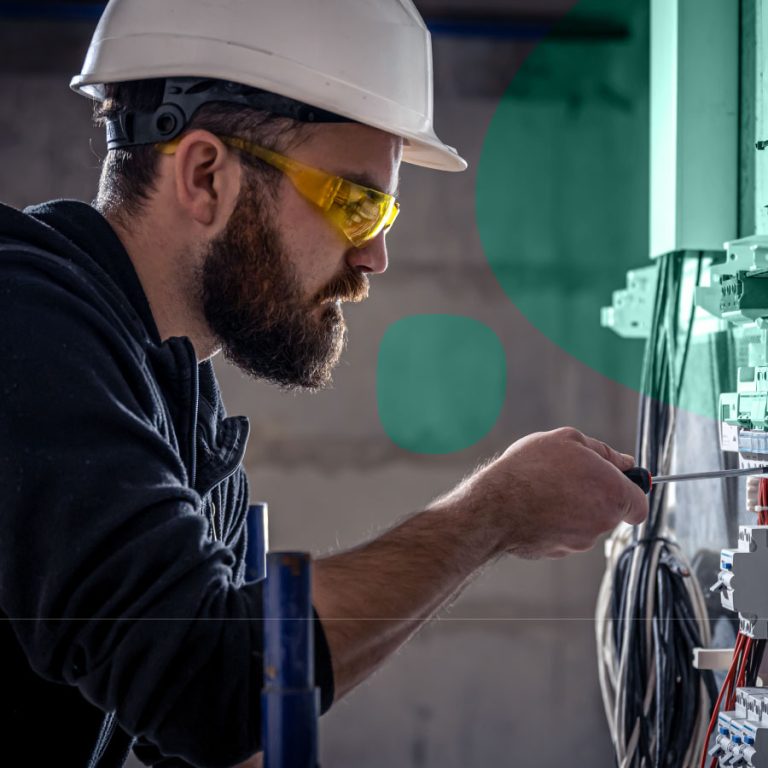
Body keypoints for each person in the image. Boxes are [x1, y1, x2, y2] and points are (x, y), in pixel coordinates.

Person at [0, 1, 649, 766]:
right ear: (205, 174)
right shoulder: (20, 319)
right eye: (354, 203)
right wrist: (491, 514)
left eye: (385, 213)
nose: (373, 257)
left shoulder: (173, 404)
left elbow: (212, 729)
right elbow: (213, 684)